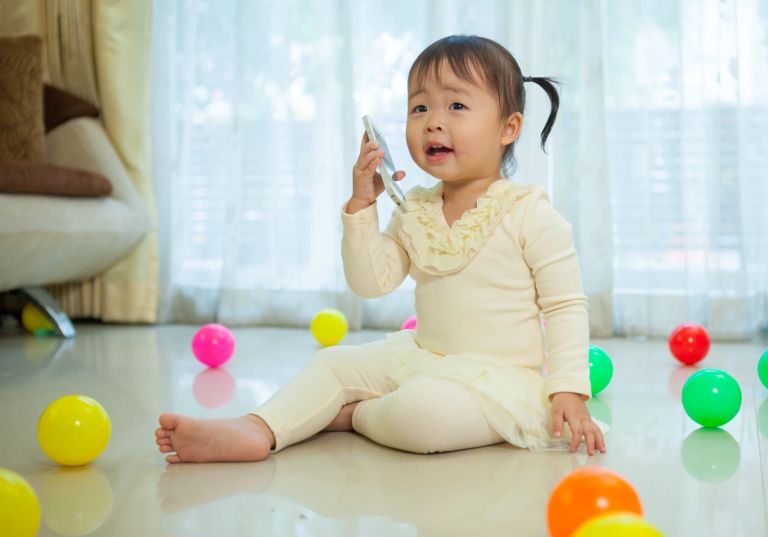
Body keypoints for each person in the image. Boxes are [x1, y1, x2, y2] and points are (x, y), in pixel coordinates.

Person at [155, 34, 607, 464]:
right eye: (419, 106)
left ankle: (351, 415)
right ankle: (259, 427)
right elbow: (371, 282)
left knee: (427, 416)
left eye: (456, 105)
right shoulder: (414, 211)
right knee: (333, 362)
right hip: (421, 356)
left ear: (508, 127)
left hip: (495, 381)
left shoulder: (530, 213)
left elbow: (566, 305)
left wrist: (567, 388)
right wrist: (362, 206)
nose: (433, 119)